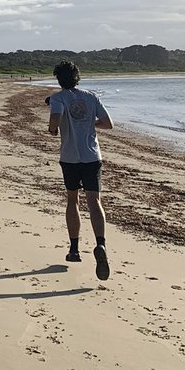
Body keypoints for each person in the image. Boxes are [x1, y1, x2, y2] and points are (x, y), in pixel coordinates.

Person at [47, 60, 114, 281]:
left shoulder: (58, 98)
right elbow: (107, 123)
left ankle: (74, 248)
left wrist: (52, 129)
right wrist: (87, 125)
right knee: (95, 201)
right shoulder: (91, 97)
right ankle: (100, 244)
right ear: (77, 77)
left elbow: (55, 119)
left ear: (59, 79)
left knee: (72, 200)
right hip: (92, 157)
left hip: (70, 158)